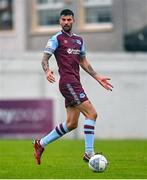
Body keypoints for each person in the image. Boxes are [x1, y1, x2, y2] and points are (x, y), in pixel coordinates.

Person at [33, 9, 113, 165]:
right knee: (92, 114)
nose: (66, 22)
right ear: (60, 21)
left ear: (73, 21)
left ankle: (40, 143)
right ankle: (89, 153)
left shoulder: (79, 40)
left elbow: (83, 61)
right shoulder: (56, 39)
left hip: (76, 82)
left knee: (71, 124)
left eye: (69, 20)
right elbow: (45, 58)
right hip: (68, 83)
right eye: (64, 20)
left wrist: (97, 77)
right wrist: (47, 70)